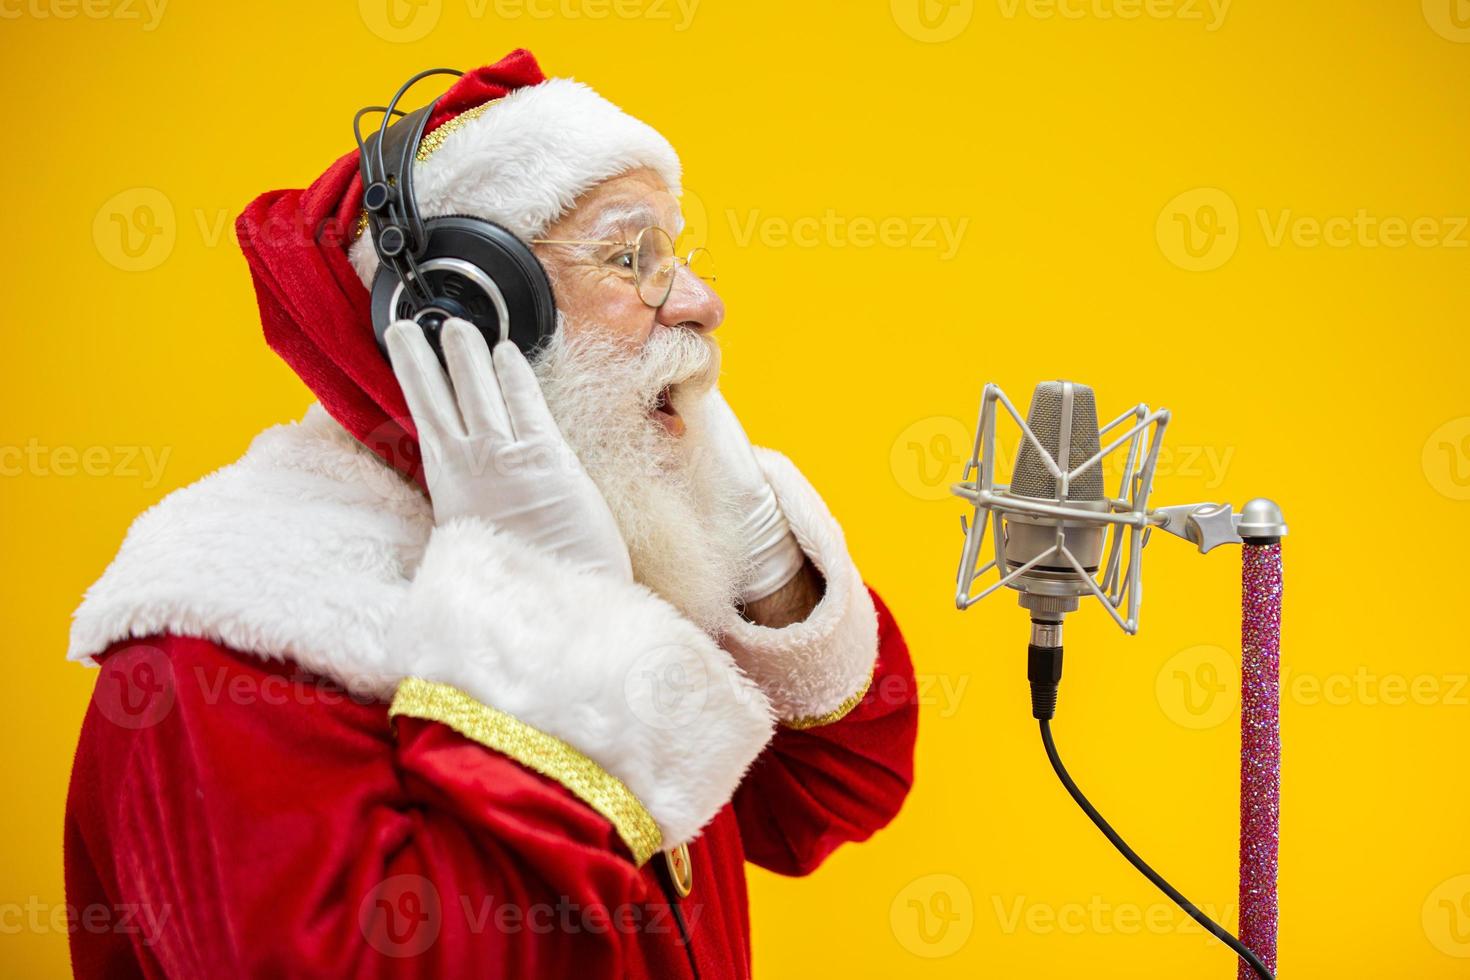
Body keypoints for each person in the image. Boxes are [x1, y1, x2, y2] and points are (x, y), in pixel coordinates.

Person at [64, 49, 917, 978]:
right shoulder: (221, 647)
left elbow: (832, 795)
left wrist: (761, 556)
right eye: (634, 257)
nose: (705, 303)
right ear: (467, 312)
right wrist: (546, 617)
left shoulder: (609, 538)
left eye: (680, 254)